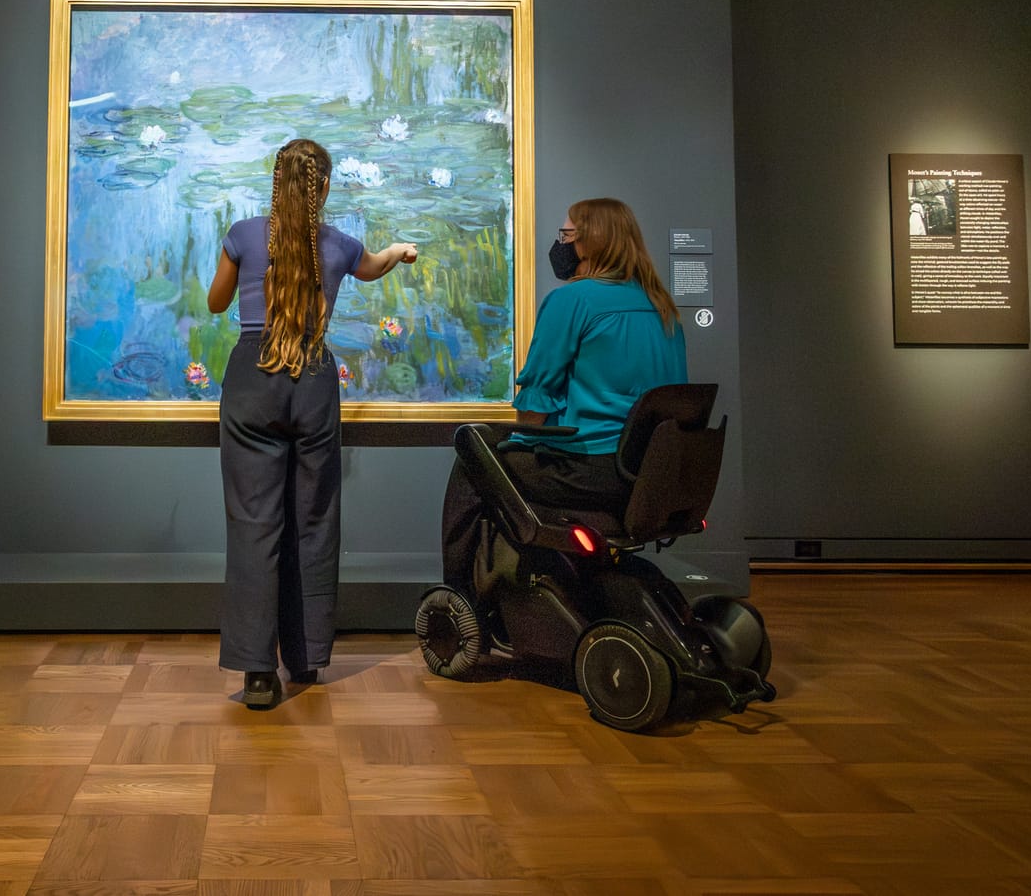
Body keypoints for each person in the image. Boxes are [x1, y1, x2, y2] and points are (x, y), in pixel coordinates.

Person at [207, 137, 418, 709]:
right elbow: (371, 269)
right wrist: (398, 251)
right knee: (313, 521)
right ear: (323, 186)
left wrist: (240, 266)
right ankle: (305, 658)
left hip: (253, 376)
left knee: (255, 524)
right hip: (314, 374)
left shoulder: (244, 235)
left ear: (277, 182)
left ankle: (256, 673)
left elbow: (215, 304)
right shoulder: (342, 245)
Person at [442, 197, 687, 592]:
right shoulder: (659, 304)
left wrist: (514, 446)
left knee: (475, 457)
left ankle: (460, 597)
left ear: (589, 242)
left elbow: (538, 397)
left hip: (592, 469)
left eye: (566, 234)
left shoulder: (571, 300)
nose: (561, 245)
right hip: (651, 473)